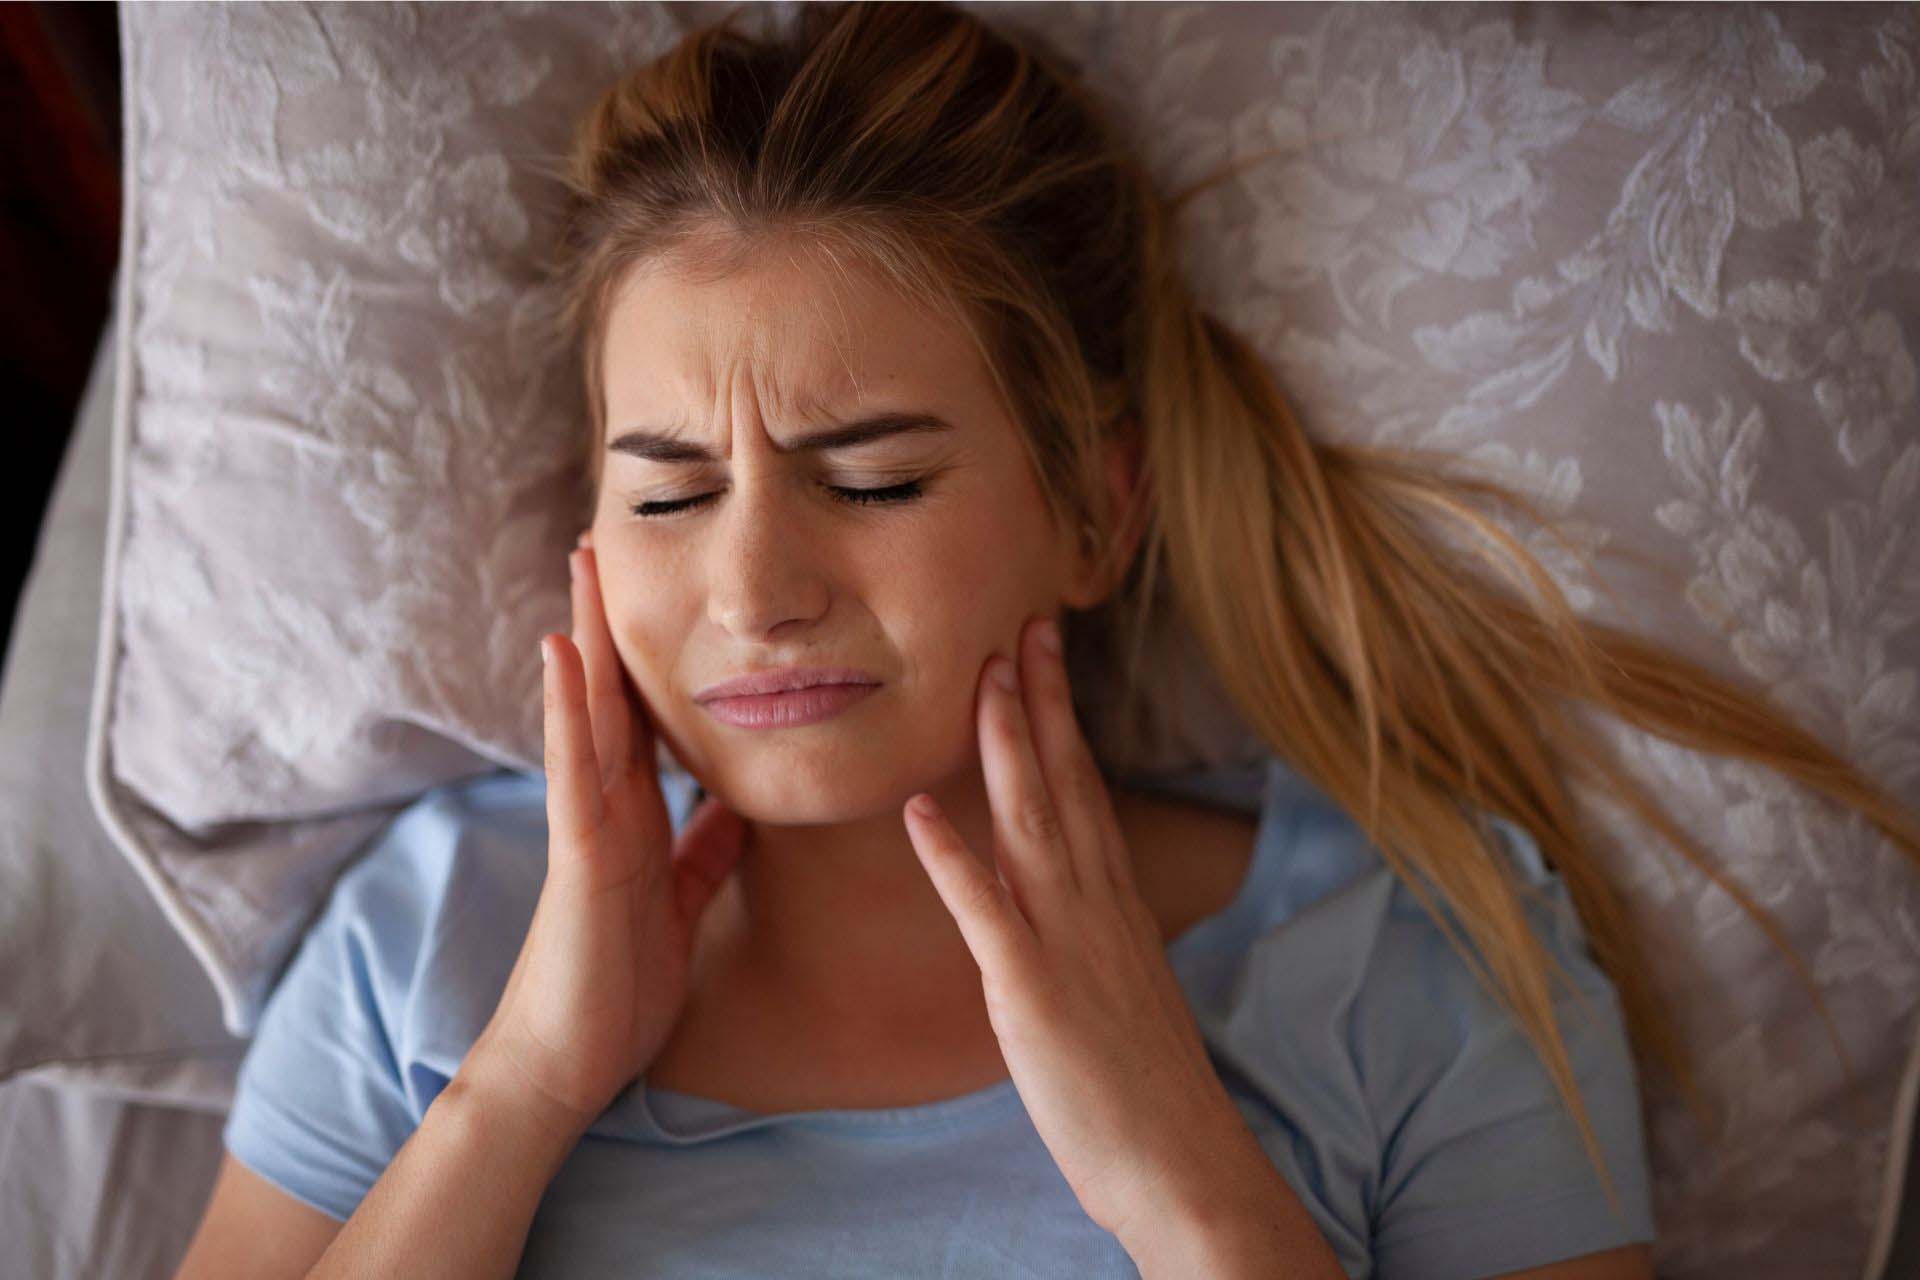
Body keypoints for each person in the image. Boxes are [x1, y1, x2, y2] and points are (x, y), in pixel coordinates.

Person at [175, 3, 1920, 1278]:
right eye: (669, 489)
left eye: (871, 480)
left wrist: (1183, 1176)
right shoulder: (433, 941)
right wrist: (522, 1091)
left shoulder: (1408, 965)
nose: (756, 584)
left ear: (1095, 513)